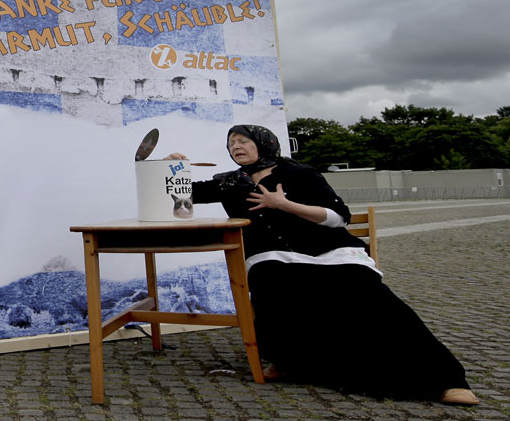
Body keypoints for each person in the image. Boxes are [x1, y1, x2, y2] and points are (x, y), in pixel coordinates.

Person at [168, 124, 477, 406]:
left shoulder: (300, 174)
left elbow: (338, 217)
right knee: (272, 284)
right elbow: (181, 197)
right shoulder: (229, 183)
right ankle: (290, 361)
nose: (236, 146)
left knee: (368, 295)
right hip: (271, 255)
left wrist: (284, 205)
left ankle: (445, 379)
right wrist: (171, 169)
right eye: (231, 143)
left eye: (243, 141)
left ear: (264, 143)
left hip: (330, 252)